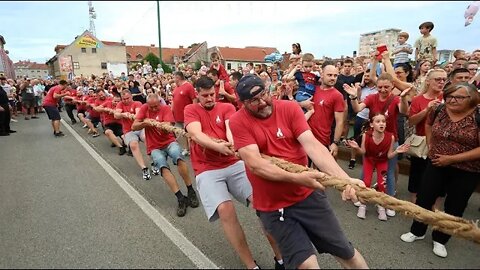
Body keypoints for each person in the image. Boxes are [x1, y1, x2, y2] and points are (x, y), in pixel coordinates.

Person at [229, 74, 368, 269]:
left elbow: (313, 146)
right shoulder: (238, 121)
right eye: (253, 100)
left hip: (307, 197)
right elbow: (255, 165)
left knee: (346, 253)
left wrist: (345, 180)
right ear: (243, 103)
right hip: (274, 207)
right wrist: (298, 178)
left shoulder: (289, 108)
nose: (262, 102)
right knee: (307, 266)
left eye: (264, 94)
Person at [184, 75, 284, 269]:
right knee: (225, 209)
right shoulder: (191, 110)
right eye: (204, 95)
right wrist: (217, 147)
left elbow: (231, 128)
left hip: (233, 163)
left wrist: (232, 144)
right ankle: (251, 266)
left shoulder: (227, 107)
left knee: (263, 204)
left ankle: (280, 258)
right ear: (197, 94)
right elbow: (196, 134)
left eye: (212, 94)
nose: (209, 98)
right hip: (207, 169)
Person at [400, 82, 480, 258]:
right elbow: (428, 125)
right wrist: (430, 144)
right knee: (424, 197)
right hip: (436, 163)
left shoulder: (478, 116)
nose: (452, 100)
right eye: (450, 96)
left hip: (466, 170)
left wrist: (451, 159)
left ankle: (441, 239)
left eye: (458, 97)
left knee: (455, 206)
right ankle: (417, 230)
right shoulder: (439, 110)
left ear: (471, 98)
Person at [132, 93, 199, 217]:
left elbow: (168, 126)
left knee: (177, 155)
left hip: (168, 142)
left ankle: (190, 190)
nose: (153, 109)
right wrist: (145, 123)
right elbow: (134, 126)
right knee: (162, 166)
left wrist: (157, 124)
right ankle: (180, 198)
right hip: (154, 146)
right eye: (151, 107)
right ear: (147, 104)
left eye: (155, 106)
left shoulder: (165, 108)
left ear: (160, 102)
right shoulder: (144, 109)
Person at [347, 113, 410, 220]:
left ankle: (381, 206)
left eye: (383, 121)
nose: (381, 124)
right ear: (372, 124)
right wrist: (356, 148)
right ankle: (362, 205)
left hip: (382, 161)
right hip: (369, 160)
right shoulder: (366, 135)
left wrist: (397, 151)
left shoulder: (390, 137)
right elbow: (363, 152)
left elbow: (389, 155)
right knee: (365, 183)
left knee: (382, 184)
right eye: (378, 121)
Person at [407, 69, 446, 203]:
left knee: (439, 179)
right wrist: (427, 109)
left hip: (442, 144)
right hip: (422, 143)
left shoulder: (448, 97)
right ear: (428, 81)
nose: (441, 82)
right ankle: (414, 206)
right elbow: (411, 121)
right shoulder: (418, 99)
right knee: (417, 176)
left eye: (443, 79)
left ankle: (435, 209)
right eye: (437, 79)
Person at [114, 89, 151, 180]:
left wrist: (131, 115)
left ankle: (154, 162)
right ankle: (144, 168)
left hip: (139, 127)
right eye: (124, 99)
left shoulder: (137, 103)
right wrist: (123, 114)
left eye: (127, 98)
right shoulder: (120, 104)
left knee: (147, 139)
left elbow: (138, 114)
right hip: (128, 130)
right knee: (133, 145)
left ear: (131, 97)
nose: (126, 100)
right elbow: (116, 115)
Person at [172, 71, 197, 156]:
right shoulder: (176, 88)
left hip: (186, 115)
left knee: (189, 133)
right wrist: (171, 110)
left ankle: (193, 150)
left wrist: (194, 111)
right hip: (177, 115)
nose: (173, 79)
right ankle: (186, 148)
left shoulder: (188, 86)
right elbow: (174, 100)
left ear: (178, 78)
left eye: (174, 77)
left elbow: (194, 99)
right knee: (180, 133)